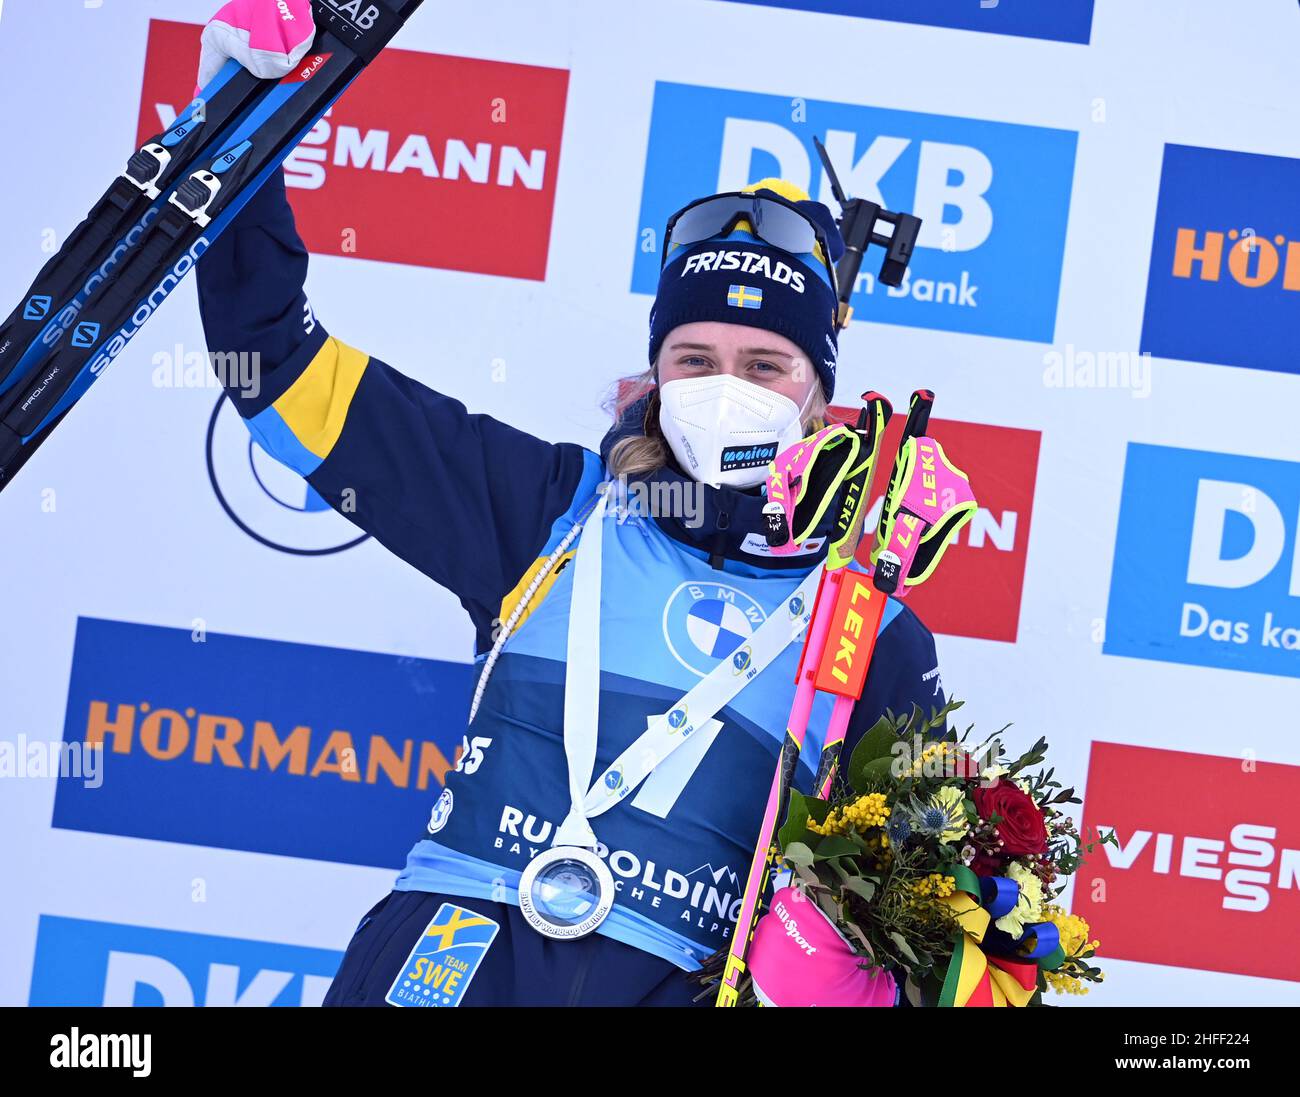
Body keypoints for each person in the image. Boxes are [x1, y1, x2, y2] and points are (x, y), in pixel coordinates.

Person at [195, 0, 947, 1007]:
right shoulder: (543, 505)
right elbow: (278, 369)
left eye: (766, 363)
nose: (727, 385)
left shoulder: (873, 624)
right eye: (695, 358)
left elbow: (912, 910)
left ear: (822, 394)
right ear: (655, 370)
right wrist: (240, 115)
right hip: (451, 953)